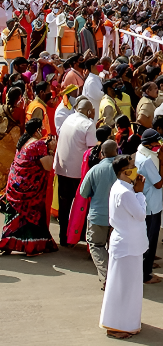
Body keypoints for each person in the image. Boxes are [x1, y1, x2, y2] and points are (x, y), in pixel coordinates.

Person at [100, 155, 148, 339]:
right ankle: (116, 326)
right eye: (132, 166)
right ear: (124, 172)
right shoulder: (126, 192)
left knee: (128, 286)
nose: (136, 169)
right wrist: (140, 193)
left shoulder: (122, 188)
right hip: (127, 245)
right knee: (123, 287)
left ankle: (126, 321)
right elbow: (140, 215)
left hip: (128, 244)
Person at [0, 117, 57, 255]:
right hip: (29, 189)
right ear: (37, 130)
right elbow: (48, 166)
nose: (44, 130)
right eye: (42, 127)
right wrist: (51, 150)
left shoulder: (23, 142)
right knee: (30, 217)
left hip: (15, 185)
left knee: (16, 216)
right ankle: (31, 246)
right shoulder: (38, 145)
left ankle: (8, 242)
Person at [54, 96, 97, 247]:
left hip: (62, 168)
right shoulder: (88, 124)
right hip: (78, 172)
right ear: (89, 111)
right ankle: (78, 235)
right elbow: (92, 150)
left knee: (64, 204)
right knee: (81, 205)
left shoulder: (68, 119)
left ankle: (63, 236)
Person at [79, 138, 119, 284]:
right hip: (119, 217)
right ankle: (116, 276)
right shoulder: (124, 169)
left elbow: (83, 192)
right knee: (116, 248)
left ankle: (107, 276)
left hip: (98, 216)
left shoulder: (95, 170)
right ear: (117, 151)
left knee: (96, 245)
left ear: (101, 153)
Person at [134, 128, 163, 284]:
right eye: (157, 142)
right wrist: (162, 162)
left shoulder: (140, 152)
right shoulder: (147, 160)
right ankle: (145, 274)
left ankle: (147, 266)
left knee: (146, 238)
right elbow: (159, 183)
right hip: (151, 205)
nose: (159, 144)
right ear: (149, 143)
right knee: (150, 239)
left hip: (147, 203)